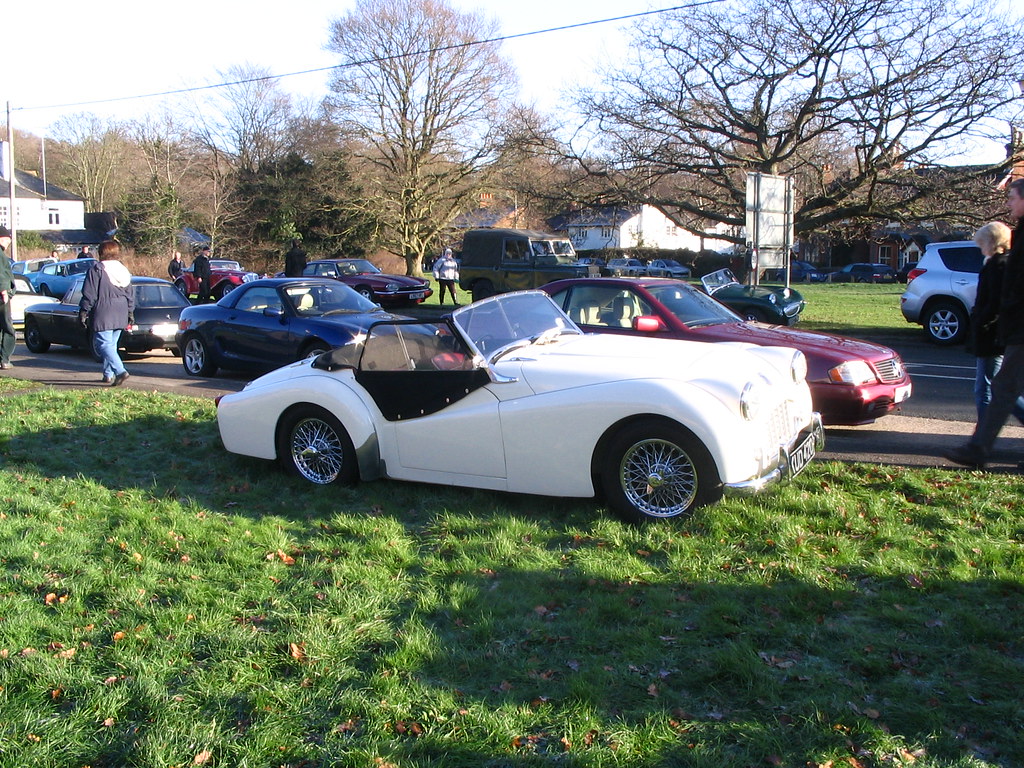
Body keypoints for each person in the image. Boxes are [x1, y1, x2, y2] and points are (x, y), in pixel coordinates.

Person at [944, 178, 1024, 468]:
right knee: (1003, 387)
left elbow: (1009, 291)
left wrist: (1002, 317)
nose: (1009, 202)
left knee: (1001, 387)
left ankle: (978, 447)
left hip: (1016, 328)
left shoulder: (1007, 255)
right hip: (1013, 327)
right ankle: (978, 447)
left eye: (1013, 197)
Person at [967, 222, 1024, 424]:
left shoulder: (997, 266)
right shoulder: (1001, 264)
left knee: (988, 387)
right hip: (994, 332)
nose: (980, 248)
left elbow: (993, 302)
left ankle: (982, 434)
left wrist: (980, 321)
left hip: (991, 334)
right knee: (996, 386)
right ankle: (982, 434)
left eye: (981, 243)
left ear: (991, 242)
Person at [79, 240, 134, 386]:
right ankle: (107, 374)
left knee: (102, 344)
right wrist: (130, 312)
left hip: (104, 310)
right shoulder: (123, 270)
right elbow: (130, 294)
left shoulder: (96, 270)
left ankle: (120, 371)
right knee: (112, 344)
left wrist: (84, 310)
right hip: (121, 310)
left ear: (101, 253)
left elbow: (89, 293)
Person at [0, 226, 16, 370]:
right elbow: (1, 274)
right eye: (8, 240)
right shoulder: (0, 254)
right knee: (7, 328)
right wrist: (4, 292)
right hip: (1, 296)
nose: (8, 244)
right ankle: (4, 359)